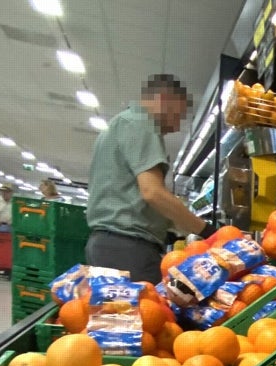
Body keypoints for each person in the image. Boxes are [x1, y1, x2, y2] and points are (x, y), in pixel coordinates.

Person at [84, 73, 215, 284]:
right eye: (178, 114)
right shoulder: (142, 123)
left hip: (108, 244)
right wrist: (207, 231)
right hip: (128, 248)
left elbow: (131, 193)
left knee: (117, 314)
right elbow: (152, 192)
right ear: (164, 99)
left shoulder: (119, 124)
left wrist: (168, 228)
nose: (177, 125)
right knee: (141, 314)